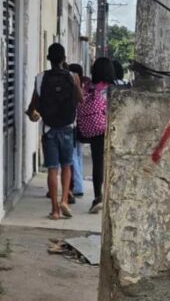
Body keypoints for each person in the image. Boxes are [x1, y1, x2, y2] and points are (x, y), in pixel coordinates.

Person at [26, 43, 83, 220]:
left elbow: (33, 105)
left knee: (52, 169)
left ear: (48, 59)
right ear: (64, 59)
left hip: (49, 129)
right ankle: (64, 200)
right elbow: (80, 99)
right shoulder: (73, 76)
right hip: (67, 128)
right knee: (67, 166)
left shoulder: (41, 78)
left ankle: (55, 211)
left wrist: (31, 114)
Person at [78, 57, 114, 214]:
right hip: (112, 129)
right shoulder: (114, 89)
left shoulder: (90, 88)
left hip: (96, 131)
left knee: (97, 164)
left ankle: (98, 197)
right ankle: (111, 198)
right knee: (112, 164)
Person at [67, 63, 87, 200]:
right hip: (84, 127)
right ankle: (78, 185)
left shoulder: (75, 88)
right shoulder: (87, 87)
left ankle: (78, 186)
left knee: (73, 156)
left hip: (75, 127)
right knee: (78, 156)